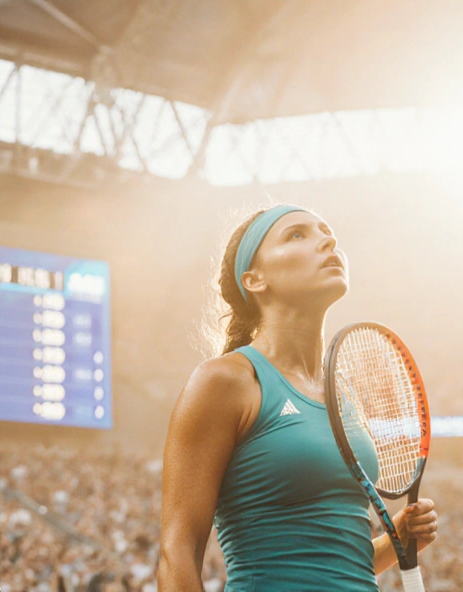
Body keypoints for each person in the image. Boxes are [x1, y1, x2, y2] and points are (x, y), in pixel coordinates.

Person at [157, 206, 441, 591]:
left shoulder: (343, 397)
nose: (329, 240)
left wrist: (397, 544)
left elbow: (334, 565)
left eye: (326, 231)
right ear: (255, 280)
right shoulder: (224, 381)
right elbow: (178, 553)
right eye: (297, 235)